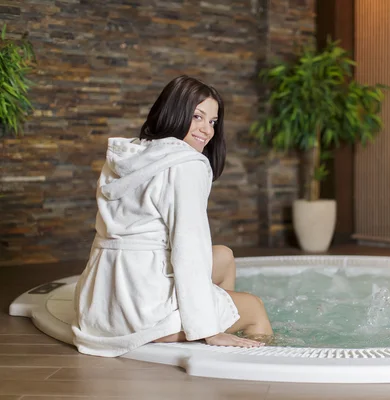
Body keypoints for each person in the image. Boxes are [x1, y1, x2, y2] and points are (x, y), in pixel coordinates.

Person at [72, 75, 273, 357]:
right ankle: (227, 348)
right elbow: (188, 249)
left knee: (224, 257)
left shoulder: (131, 154)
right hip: (139, 311)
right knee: (254, 308)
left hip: (102, 302)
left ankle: (216, 332)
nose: (207, 130)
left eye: (213, 121)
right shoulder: (186, 165)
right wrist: (208, 328)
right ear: (175, 113)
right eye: (197, 117)